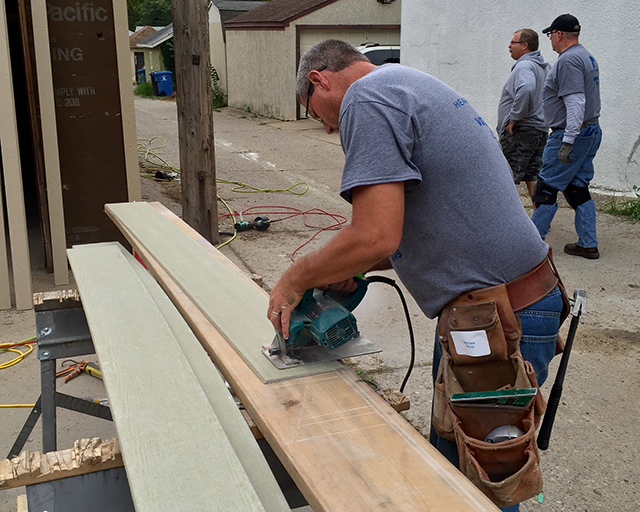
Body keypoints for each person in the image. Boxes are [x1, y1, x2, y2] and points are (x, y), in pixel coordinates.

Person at [267, 40, 564, 511]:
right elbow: (411, 230)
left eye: (315, 112)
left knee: (479, 482)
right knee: (456, 468)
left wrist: (294, 280)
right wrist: (351, 267)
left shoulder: (366, 98)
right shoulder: (404, 84)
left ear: (319, 79)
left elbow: (375, 235)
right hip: (496, 309)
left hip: (498, 318)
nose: (326, 126)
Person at [531, 14, 602, 259]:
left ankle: (531, 246)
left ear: (559, 34)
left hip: (572, 134)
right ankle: (588, 243)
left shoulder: (569, 60)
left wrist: (568, 140)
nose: (550, 39)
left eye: (551, 34)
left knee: (547, 187)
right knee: (578, 188)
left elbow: (575, 102)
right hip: (591, 130)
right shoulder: (586, 55)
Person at [497, 29, 549, 206]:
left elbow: (526, 88)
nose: (509, 46)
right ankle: (540, 216)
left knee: (507, 174)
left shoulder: (524, 66)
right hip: (540, 129)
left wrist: (514, 117)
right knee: (533, 175)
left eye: (513, 42)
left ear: (525, 45)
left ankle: (505, 218)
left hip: (521, 131)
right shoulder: (543, 67)